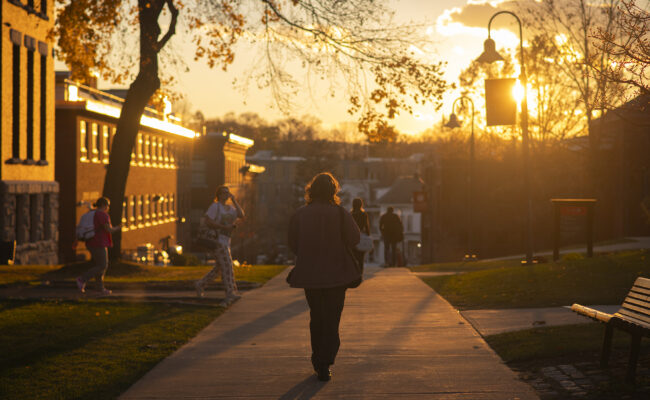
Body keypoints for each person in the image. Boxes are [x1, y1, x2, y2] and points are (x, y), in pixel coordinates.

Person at [287, 172, 361, 382]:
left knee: (316, 317)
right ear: (333, 191)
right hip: (337, 275)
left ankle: (318, 359)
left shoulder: (300, 214)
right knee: (332, 319)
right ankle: (325, 361)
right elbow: (355, 239)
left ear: (311, 191)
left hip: (310, 275)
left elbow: (293, 244)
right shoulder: (340, 213)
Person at [195, 185, 245, 306]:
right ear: (218, 195)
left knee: (219, 268)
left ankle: (200, 284)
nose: (225, 194)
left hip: (226, 241)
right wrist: (224, 227)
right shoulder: (215, 206)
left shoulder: (230, 208)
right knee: (228, 265)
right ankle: (230, 292)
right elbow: (208, 220)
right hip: (217, 241)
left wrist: (234, 200)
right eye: (223, 192)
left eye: (227, 192)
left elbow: (241, 215)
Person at [76, 197, 120, 295]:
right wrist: (118, 228)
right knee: (103, 265)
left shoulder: (92, 214)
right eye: (108, 205)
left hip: (91, 242)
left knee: (100, 265)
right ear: (104, 205)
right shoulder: (103, 215)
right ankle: (82, 279)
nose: (108, 207)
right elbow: (109, 229)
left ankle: (99, 288)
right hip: (99, 243)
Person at [351, 197, 370, 271]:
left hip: (352, 235)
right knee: (361, 256)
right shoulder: (363, 214)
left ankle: (355, 271)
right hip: (361, 235)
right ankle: (360, 271)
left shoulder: (351, 214)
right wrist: (368, 234)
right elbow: (366, 225)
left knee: (354, 255)